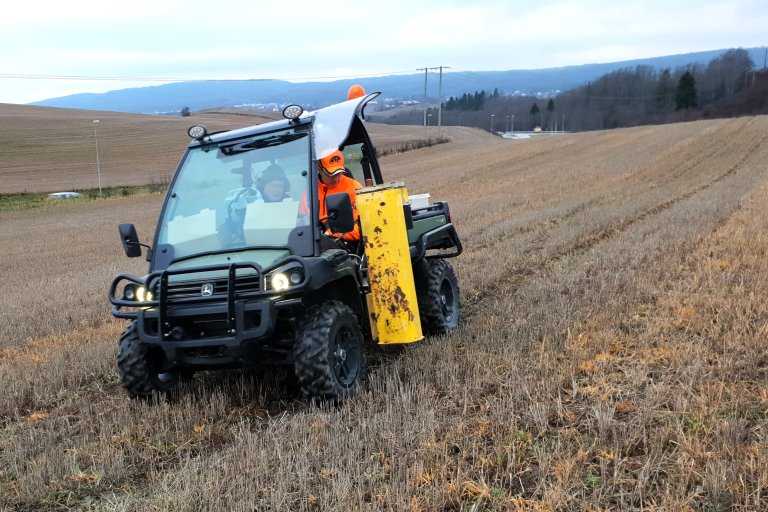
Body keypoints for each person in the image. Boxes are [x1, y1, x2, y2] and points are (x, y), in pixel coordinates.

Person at [300, 150, 362, 242]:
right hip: (315, 244)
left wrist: (330, 234)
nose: (336, 179)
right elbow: (302, 224)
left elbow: (362, 226)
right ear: (319, 169)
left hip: (346, 245)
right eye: (331, 174)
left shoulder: (355, 188)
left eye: (339, 173)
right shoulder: (309, 193)